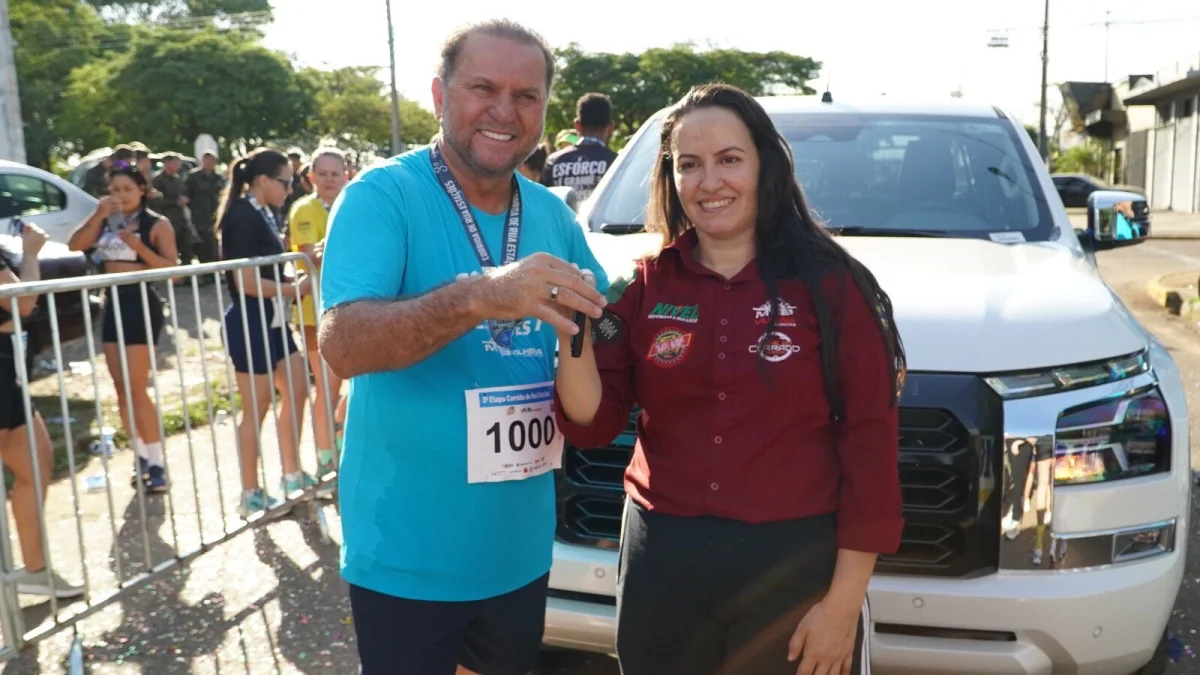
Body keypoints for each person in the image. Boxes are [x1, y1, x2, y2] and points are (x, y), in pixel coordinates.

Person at [554, 83, 907, 675]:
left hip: (792, 566)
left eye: (729, 159)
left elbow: (870, 445)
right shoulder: (643, 285)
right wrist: (572, 331)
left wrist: (843, 605)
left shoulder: (834, 286)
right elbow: (593, 423)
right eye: (689, 164)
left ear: (765, 166)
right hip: (663, 562)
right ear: (671, 177)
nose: (709, 182)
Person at [317, 19, 609, 675]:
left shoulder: (552, 215)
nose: (505, 111)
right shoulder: (382, 196)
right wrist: (479, 295)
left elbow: (608, 322)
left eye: (526, 96)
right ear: (438, 96)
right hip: (408, 554)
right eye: (483, 88)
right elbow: (343, 345)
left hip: (519, 550)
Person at [217, 148, 315, 520]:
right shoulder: (242, 216)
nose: (290, 190)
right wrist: (293, 289)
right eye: (285, 182)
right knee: (256, 406)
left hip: (271, 318)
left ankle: (291, 473)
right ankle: (251, 492)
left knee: (297, 387)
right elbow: (245, 281)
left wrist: (294, 277)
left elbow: (267, 270)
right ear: (262, 181)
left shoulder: (263, 212)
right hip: (250, 320)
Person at [69, 161, 177, 493]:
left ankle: (157, 462)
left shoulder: (157, 223)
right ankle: (140, 454)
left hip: (140, 302)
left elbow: (172, 269)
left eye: (127, 189)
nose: (121, 195)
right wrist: (98, 215)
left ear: (142, 189)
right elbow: (75, 245)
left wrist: (138, 246)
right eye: (115, 190)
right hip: (112, 302)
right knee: (121, 388)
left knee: (136, 386)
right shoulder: (106, 220)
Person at [0, 221, 86, 598]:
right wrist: (31, 253)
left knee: (36, 464)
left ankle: (34, 572)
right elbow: (21, 302)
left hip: (9, 372)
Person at [288, 146, 348, 494]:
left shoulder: (352, 203)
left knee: (349, 385)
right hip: (315, 313)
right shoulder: (303, 209)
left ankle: (338, 440)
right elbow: (309, 256)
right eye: (322, 174)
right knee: (326, 386)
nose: (328, 180)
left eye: (334, 174)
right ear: (310, 177)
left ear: (345, 176)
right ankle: (326, 459)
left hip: (350, 308)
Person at [540, 92, 619, 201]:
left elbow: (544, 201)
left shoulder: (554, 161)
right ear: (610, 127)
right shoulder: (616, 162)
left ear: (577, 125)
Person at [151, 153, 195, 267]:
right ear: (166, 163)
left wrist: (185, 199)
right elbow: (155, 202)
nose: (178, 166)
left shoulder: (177, 179)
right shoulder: (157, 180)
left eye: (178, 163)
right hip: (167, 220)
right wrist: (175, 202)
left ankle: (187, 274)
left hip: (180, 220)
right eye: (175, 163)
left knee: (186, 249)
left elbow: (184, 193)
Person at [185, 150, 225, 266]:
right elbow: (186, 194)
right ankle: (205, 271)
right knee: (201, 246)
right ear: (202, 161)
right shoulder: (194, 177)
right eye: (207, 160)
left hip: (215, 216)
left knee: (215, 246)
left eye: (212, 160)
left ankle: (216, 270)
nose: (209, 162)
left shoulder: (218, 178)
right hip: (199, 217)